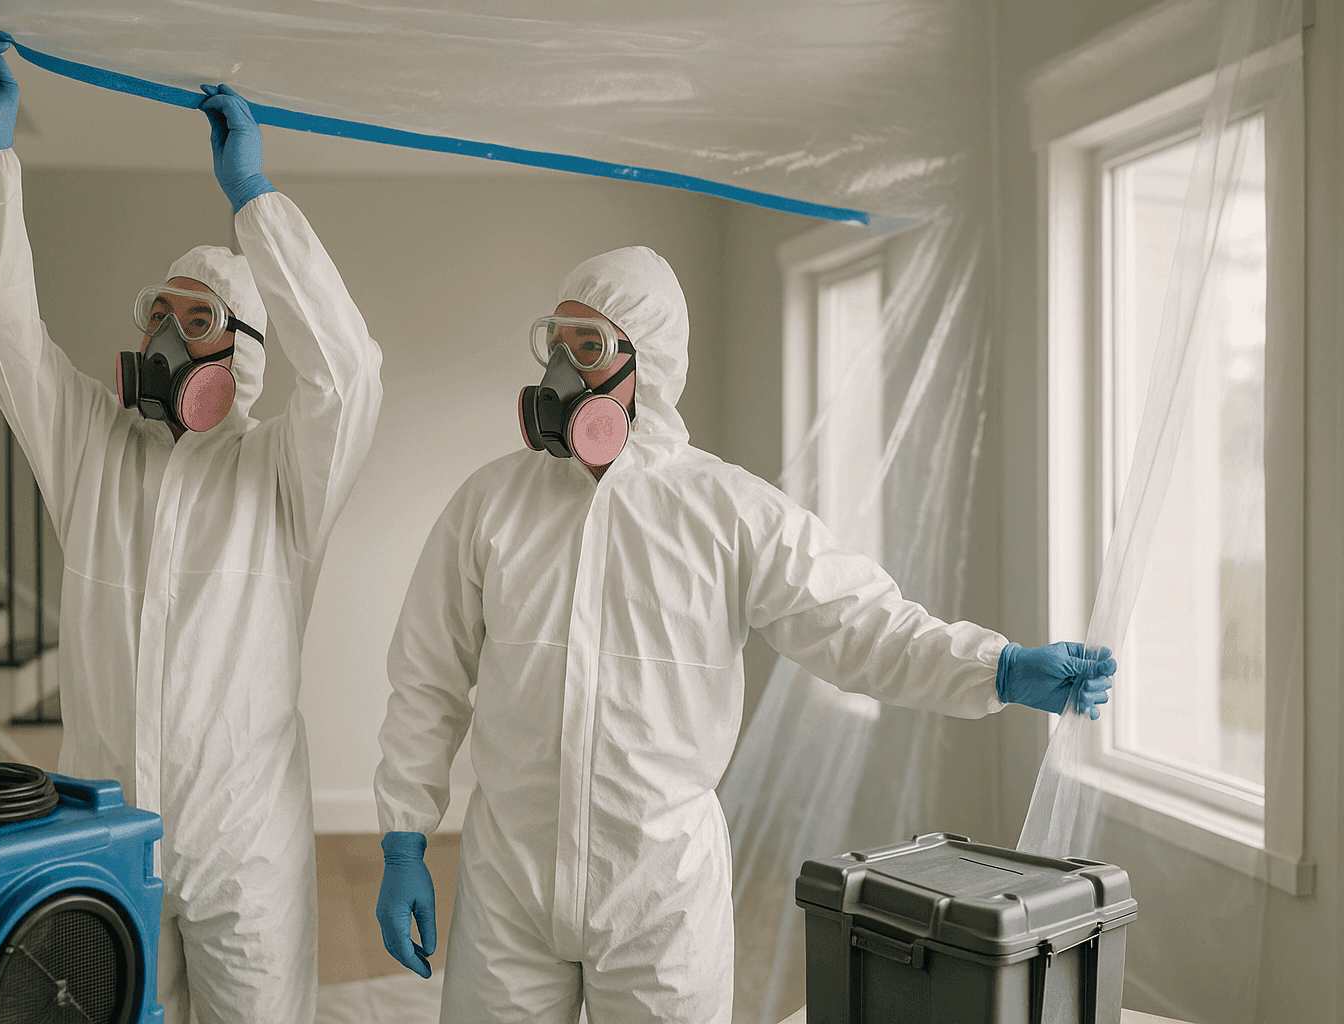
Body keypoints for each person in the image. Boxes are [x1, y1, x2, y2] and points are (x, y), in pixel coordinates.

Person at [372, 246, 1112, 1023]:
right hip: (508, 883)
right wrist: (402, 841)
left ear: (647, 364)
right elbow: (427, 679)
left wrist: (997, 667)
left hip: (657, 893)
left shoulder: (727, 512)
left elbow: (858, 624)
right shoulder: (489, 506)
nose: (563, 370)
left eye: (588, 347)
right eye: (556, 344)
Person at [0, 31, 384, 1024]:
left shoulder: (282, 474)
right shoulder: (93, 449)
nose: (163, 338)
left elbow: (350, 374)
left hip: (245, 849)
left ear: (247, 355)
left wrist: (254, 198)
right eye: (159, 315)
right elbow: (6, 331)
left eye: (196, 323)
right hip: (107, 835)